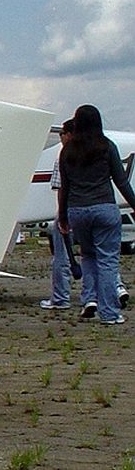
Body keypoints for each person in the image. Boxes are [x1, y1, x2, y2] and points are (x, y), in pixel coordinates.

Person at [58, 104, 135, 326]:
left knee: (88, 256)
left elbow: (65, 186)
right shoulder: (106, 147)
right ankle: (110, 313)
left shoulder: (67, 151)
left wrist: (63, 217)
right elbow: (121, 181)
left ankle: (89, 300)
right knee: (108, 260)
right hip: (104, 207)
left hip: (77, 210)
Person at [41, 120, 78, 310]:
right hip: (93, 208)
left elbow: (60, 189)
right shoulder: (98, 153)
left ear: (69, 135)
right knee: (98, 256)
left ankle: (60, 298)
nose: (61, 137)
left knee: (61, 256)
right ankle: (99, 296)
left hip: (70, 211)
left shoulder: (63, 157)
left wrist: (61, 216)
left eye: (63, 133)